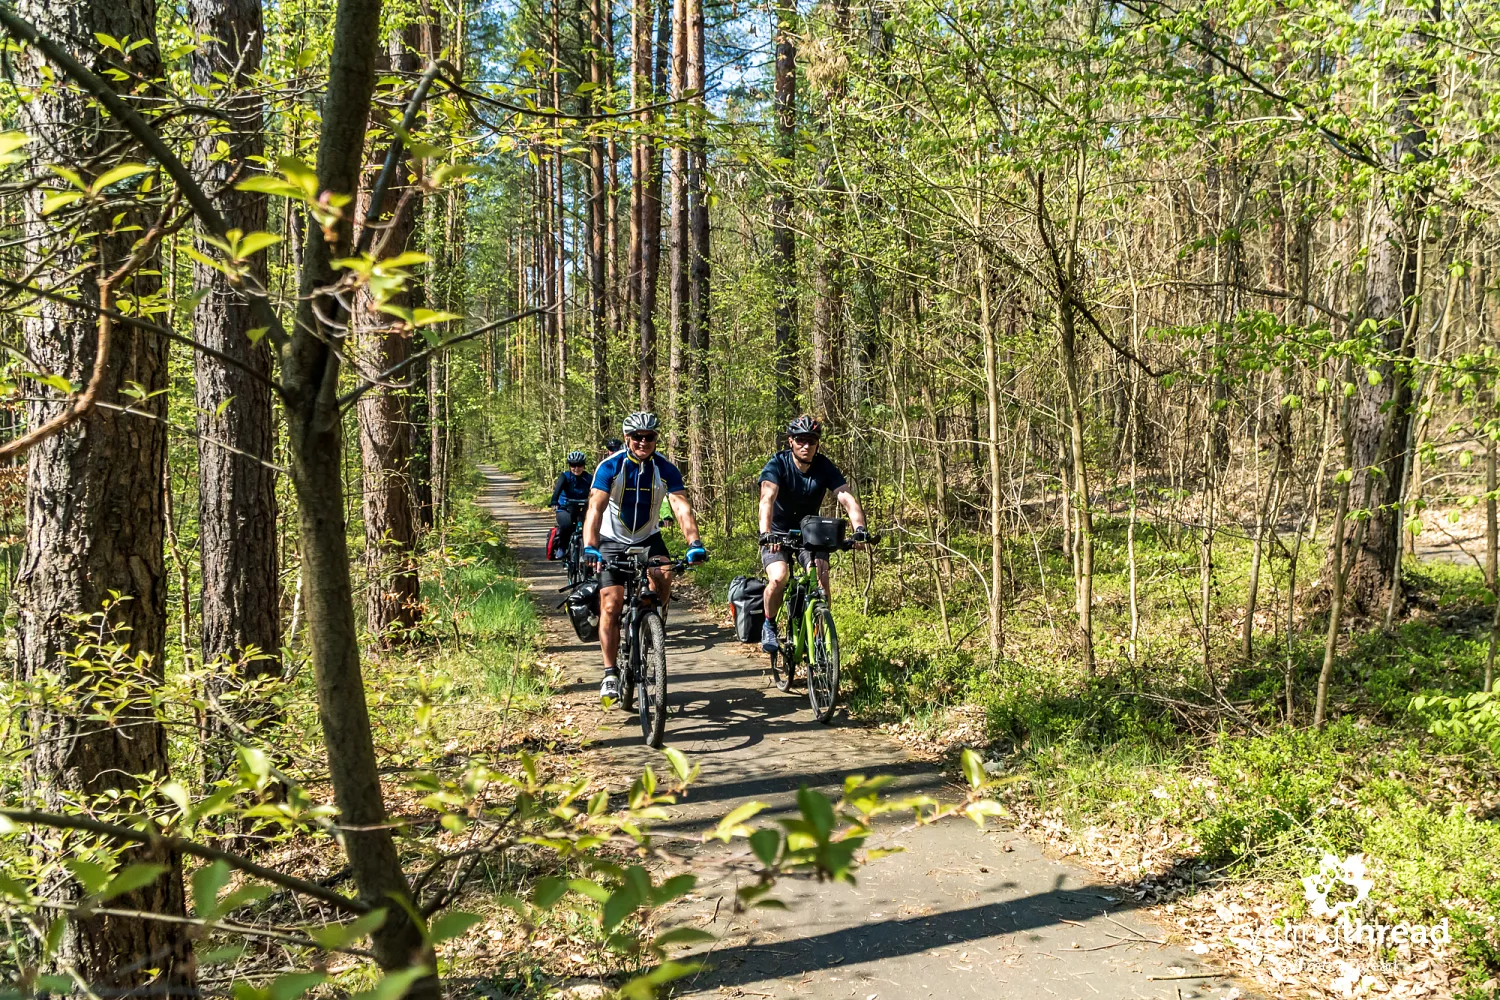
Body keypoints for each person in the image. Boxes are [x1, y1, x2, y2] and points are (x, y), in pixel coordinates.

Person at [583, 412, 708, 701]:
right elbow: (595, 508)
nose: (643, 441)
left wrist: (694, 542)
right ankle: (610, 673)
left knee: (665, 574)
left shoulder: (665, 469)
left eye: (649, 437)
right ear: (627, 438)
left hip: (649, 538)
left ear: (655, 439)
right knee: (611, 605)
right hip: (612, 540)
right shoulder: (610, 466)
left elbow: (680, 507)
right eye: (637, 436)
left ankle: (654, 619)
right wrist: (591, 545)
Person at [757, 415, 869, 654]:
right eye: (800, 440)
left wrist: (859, 529)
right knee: (778, 577)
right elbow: (767, 499)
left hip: (810, 533)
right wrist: (766, 533)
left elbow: (846, 498)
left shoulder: (823, 466)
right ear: (790, 441)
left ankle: (818, 639)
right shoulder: (778, 464)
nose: (806, 445)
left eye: (811, 440)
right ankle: (769, 623)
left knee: (821, 582)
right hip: (777, 534)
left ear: (817, 444)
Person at [547, 451, 591, 559]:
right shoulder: (565, 477)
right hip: (565, 508)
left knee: (592, 525)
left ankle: (590, 550)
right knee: (567, 525)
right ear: (569, 465)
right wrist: (554, 502)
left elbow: (596, 492)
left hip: (582, 507)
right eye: (573, 465)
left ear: (584, 465)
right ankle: (562, 548)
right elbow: (557, 491)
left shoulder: (589, 478)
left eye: (579, 465)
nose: (576, 468)